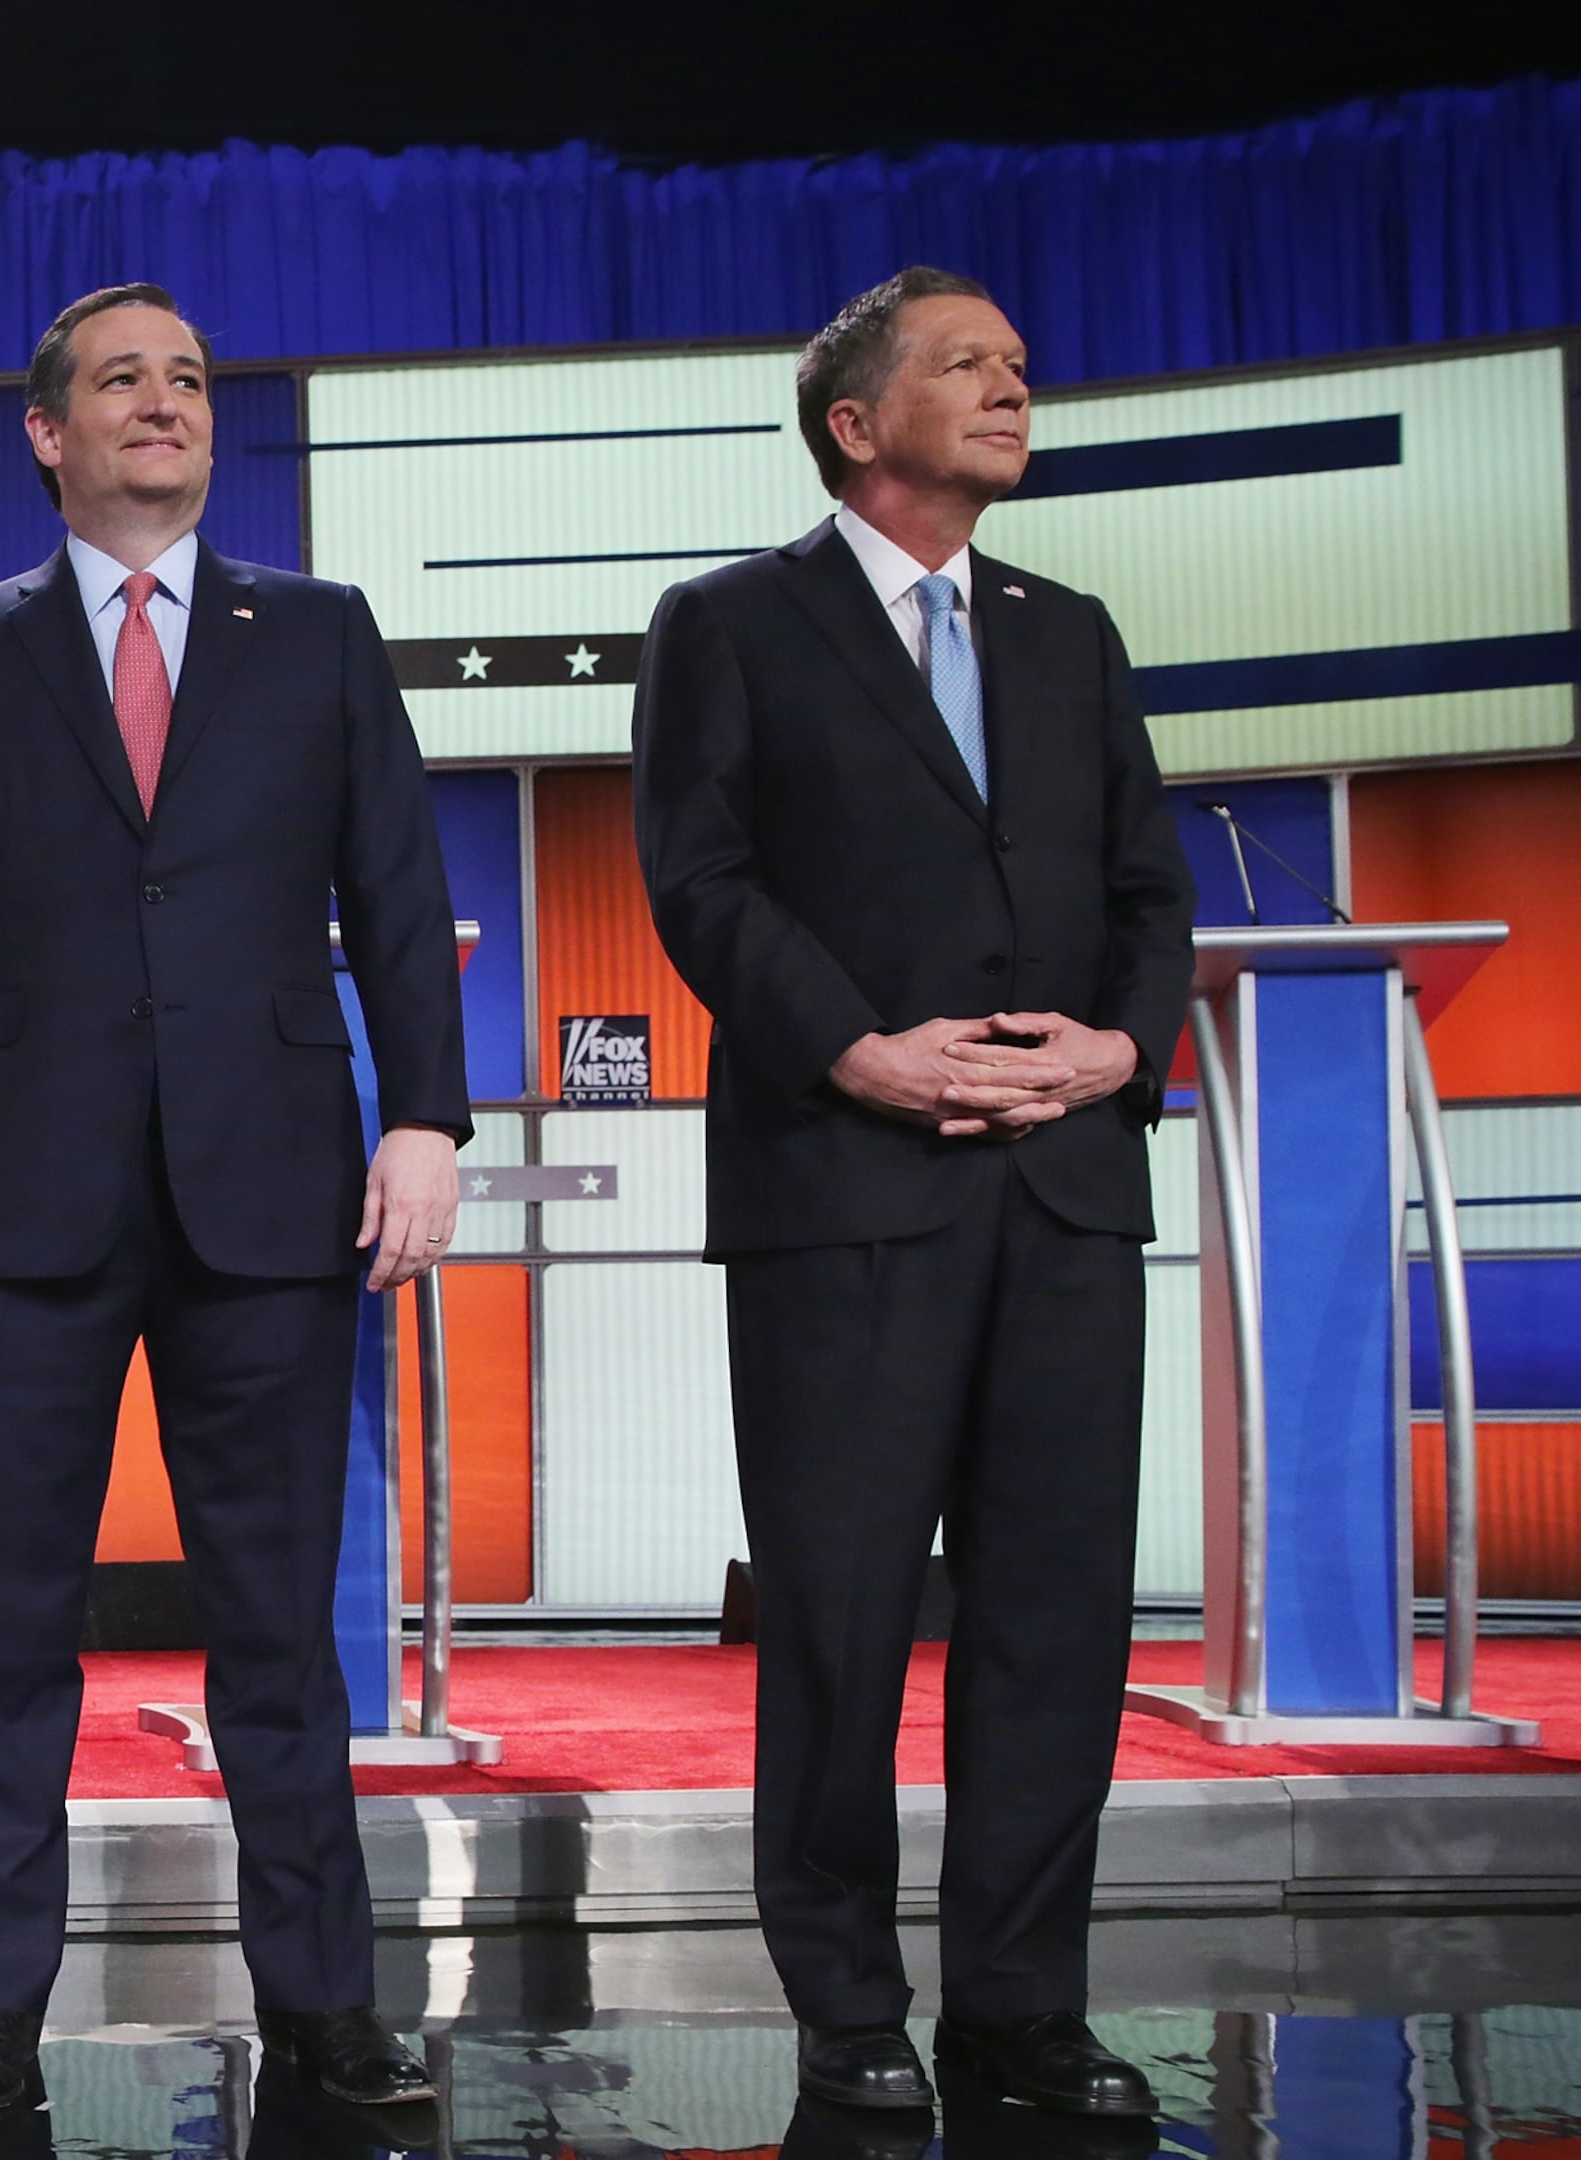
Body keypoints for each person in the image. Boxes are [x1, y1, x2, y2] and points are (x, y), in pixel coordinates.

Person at [0, 283, 471, 2115]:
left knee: (279, 1628)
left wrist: (426, 1116)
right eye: (123, 382)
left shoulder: (321, 636)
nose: (165, 405)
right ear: (47, 434)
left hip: (273, 1199)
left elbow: (400, 895)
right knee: (12, 1628)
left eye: (188, 381)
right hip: (10, 1201)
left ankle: (328, 2006)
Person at [632, 266, 1195, 2119]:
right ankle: (849, 2003)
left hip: (1065, 1196)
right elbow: (703, 882)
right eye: (968, 364)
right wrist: (852, 1050)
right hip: (844, 1189)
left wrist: (1119, 1051)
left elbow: (1147, 894)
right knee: (843, 1612)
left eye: (1021, 363)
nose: (1014, 385)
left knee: (1057, 1620)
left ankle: (1024, 2007)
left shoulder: (1070, 629)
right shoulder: (729, 623)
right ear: (857, 422)